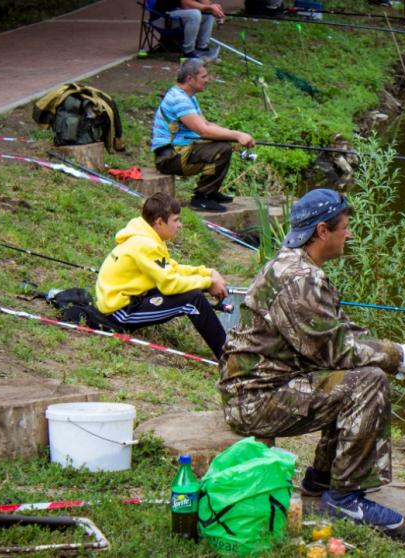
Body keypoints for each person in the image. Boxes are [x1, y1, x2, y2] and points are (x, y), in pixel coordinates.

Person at [217, 188, 405, 534]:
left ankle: (322, 478)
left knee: (355, 375)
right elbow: (338, 351)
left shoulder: (299, 268)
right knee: (368, 381)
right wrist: (399, 356)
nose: (349, 234)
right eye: (344, 227)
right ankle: (345, 500)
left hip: (263, 388)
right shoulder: (300, 278)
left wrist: (403, 356)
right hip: (254, 399)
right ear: (322, 231)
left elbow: (339, 332)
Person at [95, 192, 229, 358]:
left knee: (190, 290)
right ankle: (229, 358)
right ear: (159, 222)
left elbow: (171, 269)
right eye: (175, 220)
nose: (179, 225)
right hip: (120, 311)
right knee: (193, 299)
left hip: (127, 299)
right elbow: (170, 284)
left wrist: (208, 273)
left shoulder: (146, 236)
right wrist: (208, 283)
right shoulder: (146, 245)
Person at [151, 58, 255, 212]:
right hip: (169, 158)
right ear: (190, 79)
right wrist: (237, 135)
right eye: (204, 76)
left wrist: (234, 136)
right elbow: (203, 131)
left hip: (180, 151)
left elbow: (207, 125)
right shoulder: (179, 99)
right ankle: (201, 198)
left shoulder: (188, 97)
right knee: (222, 150)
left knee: (225, 145)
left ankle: (211, 193)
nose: (208, 80)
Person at [156, 0, 225, 60]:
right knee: (194, 14)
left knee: (209, 13)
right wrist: (209, 7)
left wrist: (214, 9)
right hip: (162, 18)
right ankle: (188, 53)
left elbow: (206, 4)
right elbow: (186, 4)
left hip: (177, 14)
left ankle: (201, 49)